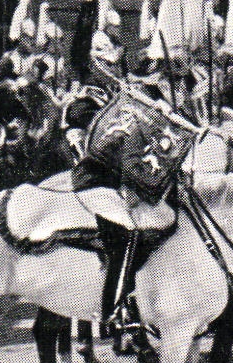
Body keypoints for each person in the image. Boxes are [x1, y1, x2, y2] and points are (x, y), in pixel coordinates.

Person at [74, 89, 192, 338]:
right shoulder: (139, 129)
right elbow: (131, 167)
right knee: (128, 234)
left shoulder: (141, 125)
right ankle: (114, 311)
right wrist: (149, 189)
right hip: (95, 184)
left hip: (109, 183)